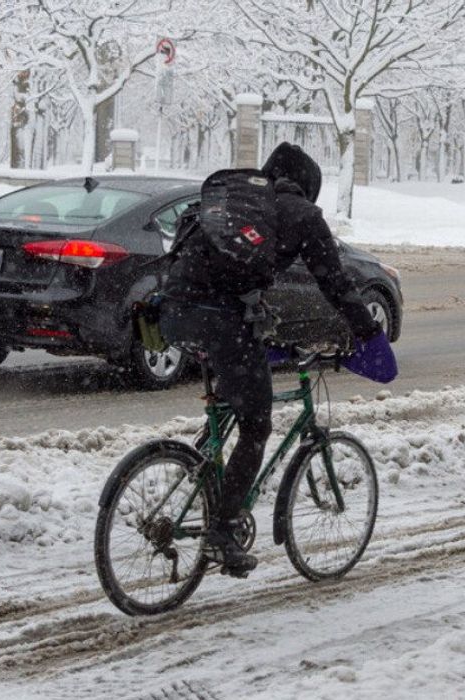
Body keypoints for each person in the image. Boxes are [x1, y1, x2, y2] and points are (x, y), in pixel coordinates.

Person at [159, 142, 396, 577]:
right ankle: (222, 532)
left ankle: (204, 474)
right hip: (218, 318)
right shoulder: (302, 216)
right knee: (257, 423)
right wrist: (368, 333)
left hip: (172, 312)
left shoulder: (238, 206)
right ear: (308, 186)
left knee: (238, 391)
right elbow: (336, 283)